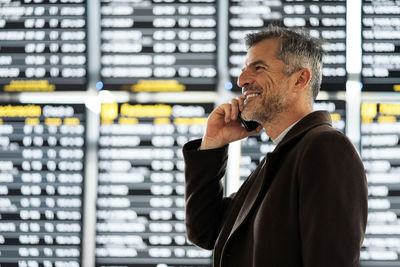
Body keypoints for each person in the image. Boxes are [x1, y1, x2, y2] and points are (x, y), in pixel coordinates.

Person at [182, 25, 368, 267]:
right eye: (244, 70)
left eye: (258, 68)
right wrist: (213, 143)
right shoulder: (282, 157)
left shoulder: (326, 148)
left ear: (300, 79)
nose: (242, 80)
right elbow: (205, 231)